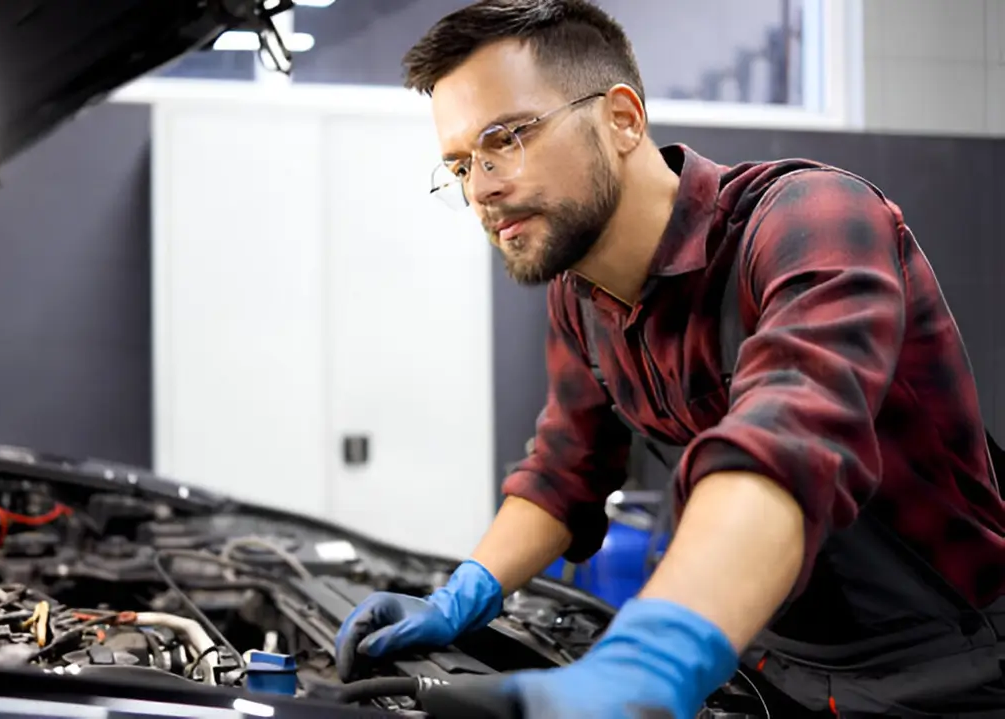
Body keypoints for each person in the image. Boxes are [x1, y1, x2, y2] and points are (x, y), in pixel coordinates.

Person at [332, 2, 1005, 717]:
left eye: (505, 138)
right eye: (462, 164)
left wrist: (650, 657)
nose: (481, 189)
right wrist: (461, 592)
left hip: (949, 668)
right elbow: (566, 471)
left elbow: (791, 439)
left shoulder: (811, 219)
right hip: (766, 657)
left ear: (622, 119)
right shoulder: (580, 296)